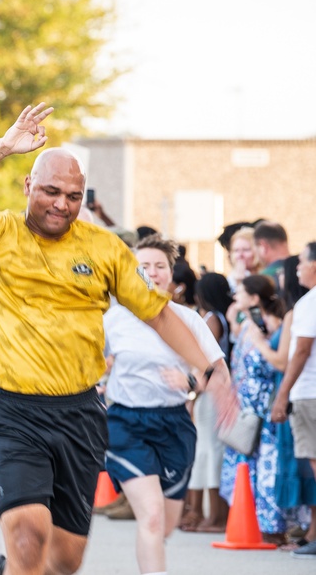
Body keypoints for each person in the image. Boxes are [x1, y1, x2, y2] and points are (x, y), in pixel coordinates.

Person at [0, 103, 234, 575]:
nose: (61, 204)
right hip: (11, 412)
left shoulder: (103, 248)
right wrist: (6, 145)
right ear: (28, 186)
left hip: (79, 415)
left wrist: (209, 368)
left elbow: (158, 316)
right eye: (50, 191)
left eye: (73, 195)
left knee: (64, 561)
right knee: (27, 541)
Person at [102, 236, 226, 574]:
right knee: (152, 516)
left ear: (172, 275)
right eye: (144, 266)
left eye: (160, 266)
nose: (152, 273)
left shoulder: (189, 320)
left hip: (174, 424)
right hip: (125, 424)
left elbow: (217, 374)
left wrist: (189, 382)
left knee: (164, 525)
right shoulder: (111, 319)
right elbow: (87, 368)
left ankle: (151, 552)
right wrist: (101, 372)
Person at [219, 274, 296, 544]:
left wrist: (258, 340)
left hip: (262, 404)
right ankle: (251, 520)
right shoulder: (247, 323)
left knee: (264, 464)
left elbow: (275, 358)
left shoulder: (269, 324)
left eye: (239, 293)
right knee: (245, 463)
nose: (234, 297)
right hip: (246, 402)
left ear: (253, 298)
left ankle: (271, 526)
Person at [271, 241, 316, 558]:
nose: (297, 267)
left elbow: (300, 351)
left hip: (310, 394)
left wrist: (282, 394)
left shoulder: (309, 303)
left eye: (301, 261)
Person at [180, 272, 234, 534]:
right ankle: (205, 513)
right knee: (205, 451)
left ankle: (215, 515)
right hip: (208, 392)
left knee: (210, 451)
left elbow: (205, 360)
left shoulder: (212, 319)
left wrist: (193, 391)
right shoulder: (217, 318)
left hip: (210, 393)